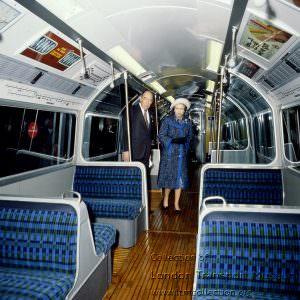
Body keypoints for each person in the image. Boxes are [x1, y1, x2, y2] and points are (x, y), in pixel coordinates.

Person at [157, 98, 192, 212]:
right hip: (170, 153)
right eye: (177, 108)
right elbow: (161, 135)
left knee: (179, 180)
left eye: (182, 109)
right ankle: (166, 199)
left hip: (181, 154)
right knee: (169, 179)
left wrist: (186, 142)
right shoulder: (167, 121)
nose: (179, 111)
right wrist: (172, 141)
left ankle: (176, 204)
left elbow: (190, 137)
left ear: (184, 110)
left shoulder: (188, 122)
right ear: (173, 109)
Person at [122, 90, 154, 169]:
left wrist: (149, 152)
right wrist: (126, 151)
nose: (148, 102)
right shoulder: (131, 111)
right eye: (146, 98)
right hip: (134, 152)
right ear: (140, 98)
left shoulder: (150, 114)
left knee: (145, 177)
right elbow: (125, 132)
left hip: (146, 154)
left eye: (150, 100)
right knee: (134, 177)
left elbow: (148, 135)